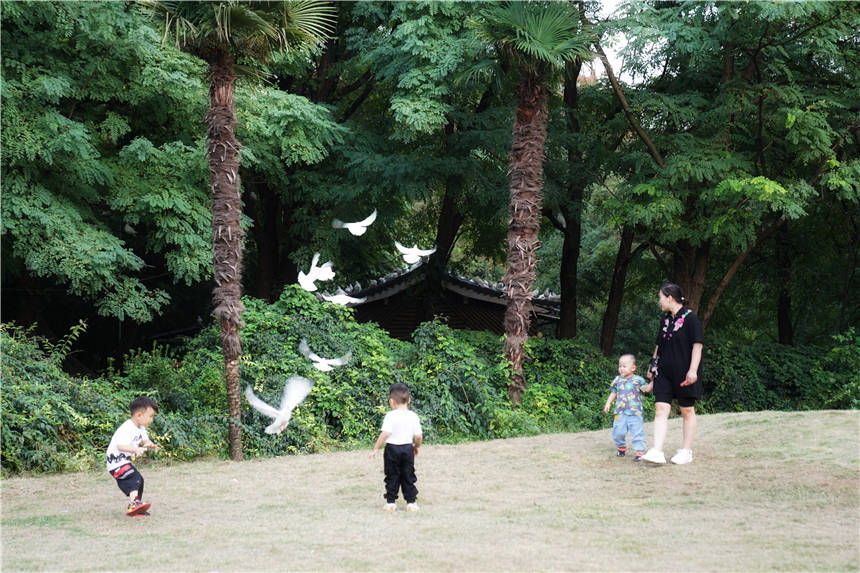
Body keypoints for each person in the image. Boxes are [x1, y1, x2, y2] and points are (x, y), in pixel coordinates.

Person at [641, 283, 704, 465]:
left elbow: (697, 346)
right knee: (660, 409)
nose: (659, 301)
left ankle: (686, 451)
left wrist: (692, 370)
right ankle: (657, 451)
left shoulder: (691, 319)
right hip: (664, 372)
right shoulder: (666, 319)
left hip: (684, 374)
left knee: (686, 410)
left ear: (669, 298)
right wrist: (653, 367)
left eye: (660, 297)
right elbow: (659, 346)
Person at [370, 383, 423, 512]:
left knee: (392, 475)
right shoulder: (413, 416)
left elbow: (385, 434)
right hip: (407, 449)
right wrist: (416, 446)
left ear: (391, 401)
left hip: (392, 449)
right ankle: (411, 502)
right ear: (409, 400)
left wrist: (376, 448)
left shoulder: (390, 416)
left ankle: (390, 502)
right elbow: (419, 436)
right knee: (408, 474)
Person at [106, 396, 159, 516]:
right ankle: (134, 504)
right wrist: (135, 449)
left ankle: (136, 507)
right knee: (134, 478)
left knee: (139, 480)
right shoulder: (127, 428)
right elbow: (120, 446)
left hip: (124, 462)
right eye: (150, 416)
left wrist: (150, 444)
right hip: (116, 462)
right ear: (139, 415)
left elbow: (145, 440)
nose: (151, 420)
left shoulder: (141, 428)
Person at [604, 353, 653, 461]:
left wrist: (654, 381)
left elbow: (647, 389)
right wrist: (608, 403)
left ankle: (640, 452)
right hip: (620, 412)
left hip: (635, 413)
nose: (621, 369)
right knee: (618, 432)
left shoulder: (638, 380)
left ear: (633, 368)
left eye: (624, 366)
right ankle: (621, 447)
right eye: (620, 366)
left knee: (637, 432)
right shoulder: (617, 380)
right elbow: (613, 392)